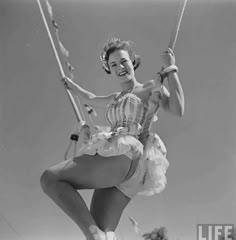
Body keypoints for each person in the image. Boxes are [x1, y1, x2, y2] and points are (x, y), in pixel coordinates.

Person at [40, 38, 184, 240]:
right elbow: (89, 98)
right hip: (128, 171)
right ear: (109, 69)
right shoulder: (115, 97)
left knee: (50, 178)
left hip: (126, 155)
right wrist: (71, 85)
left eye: (123, 61)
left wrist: (171, 67)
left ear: (132, 60)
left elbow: (178, 109)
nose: (120, 67)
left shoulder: (150, 87)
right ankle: (98, 235)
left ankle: (93, 235)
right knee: (104, 230)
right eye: (113, 64)